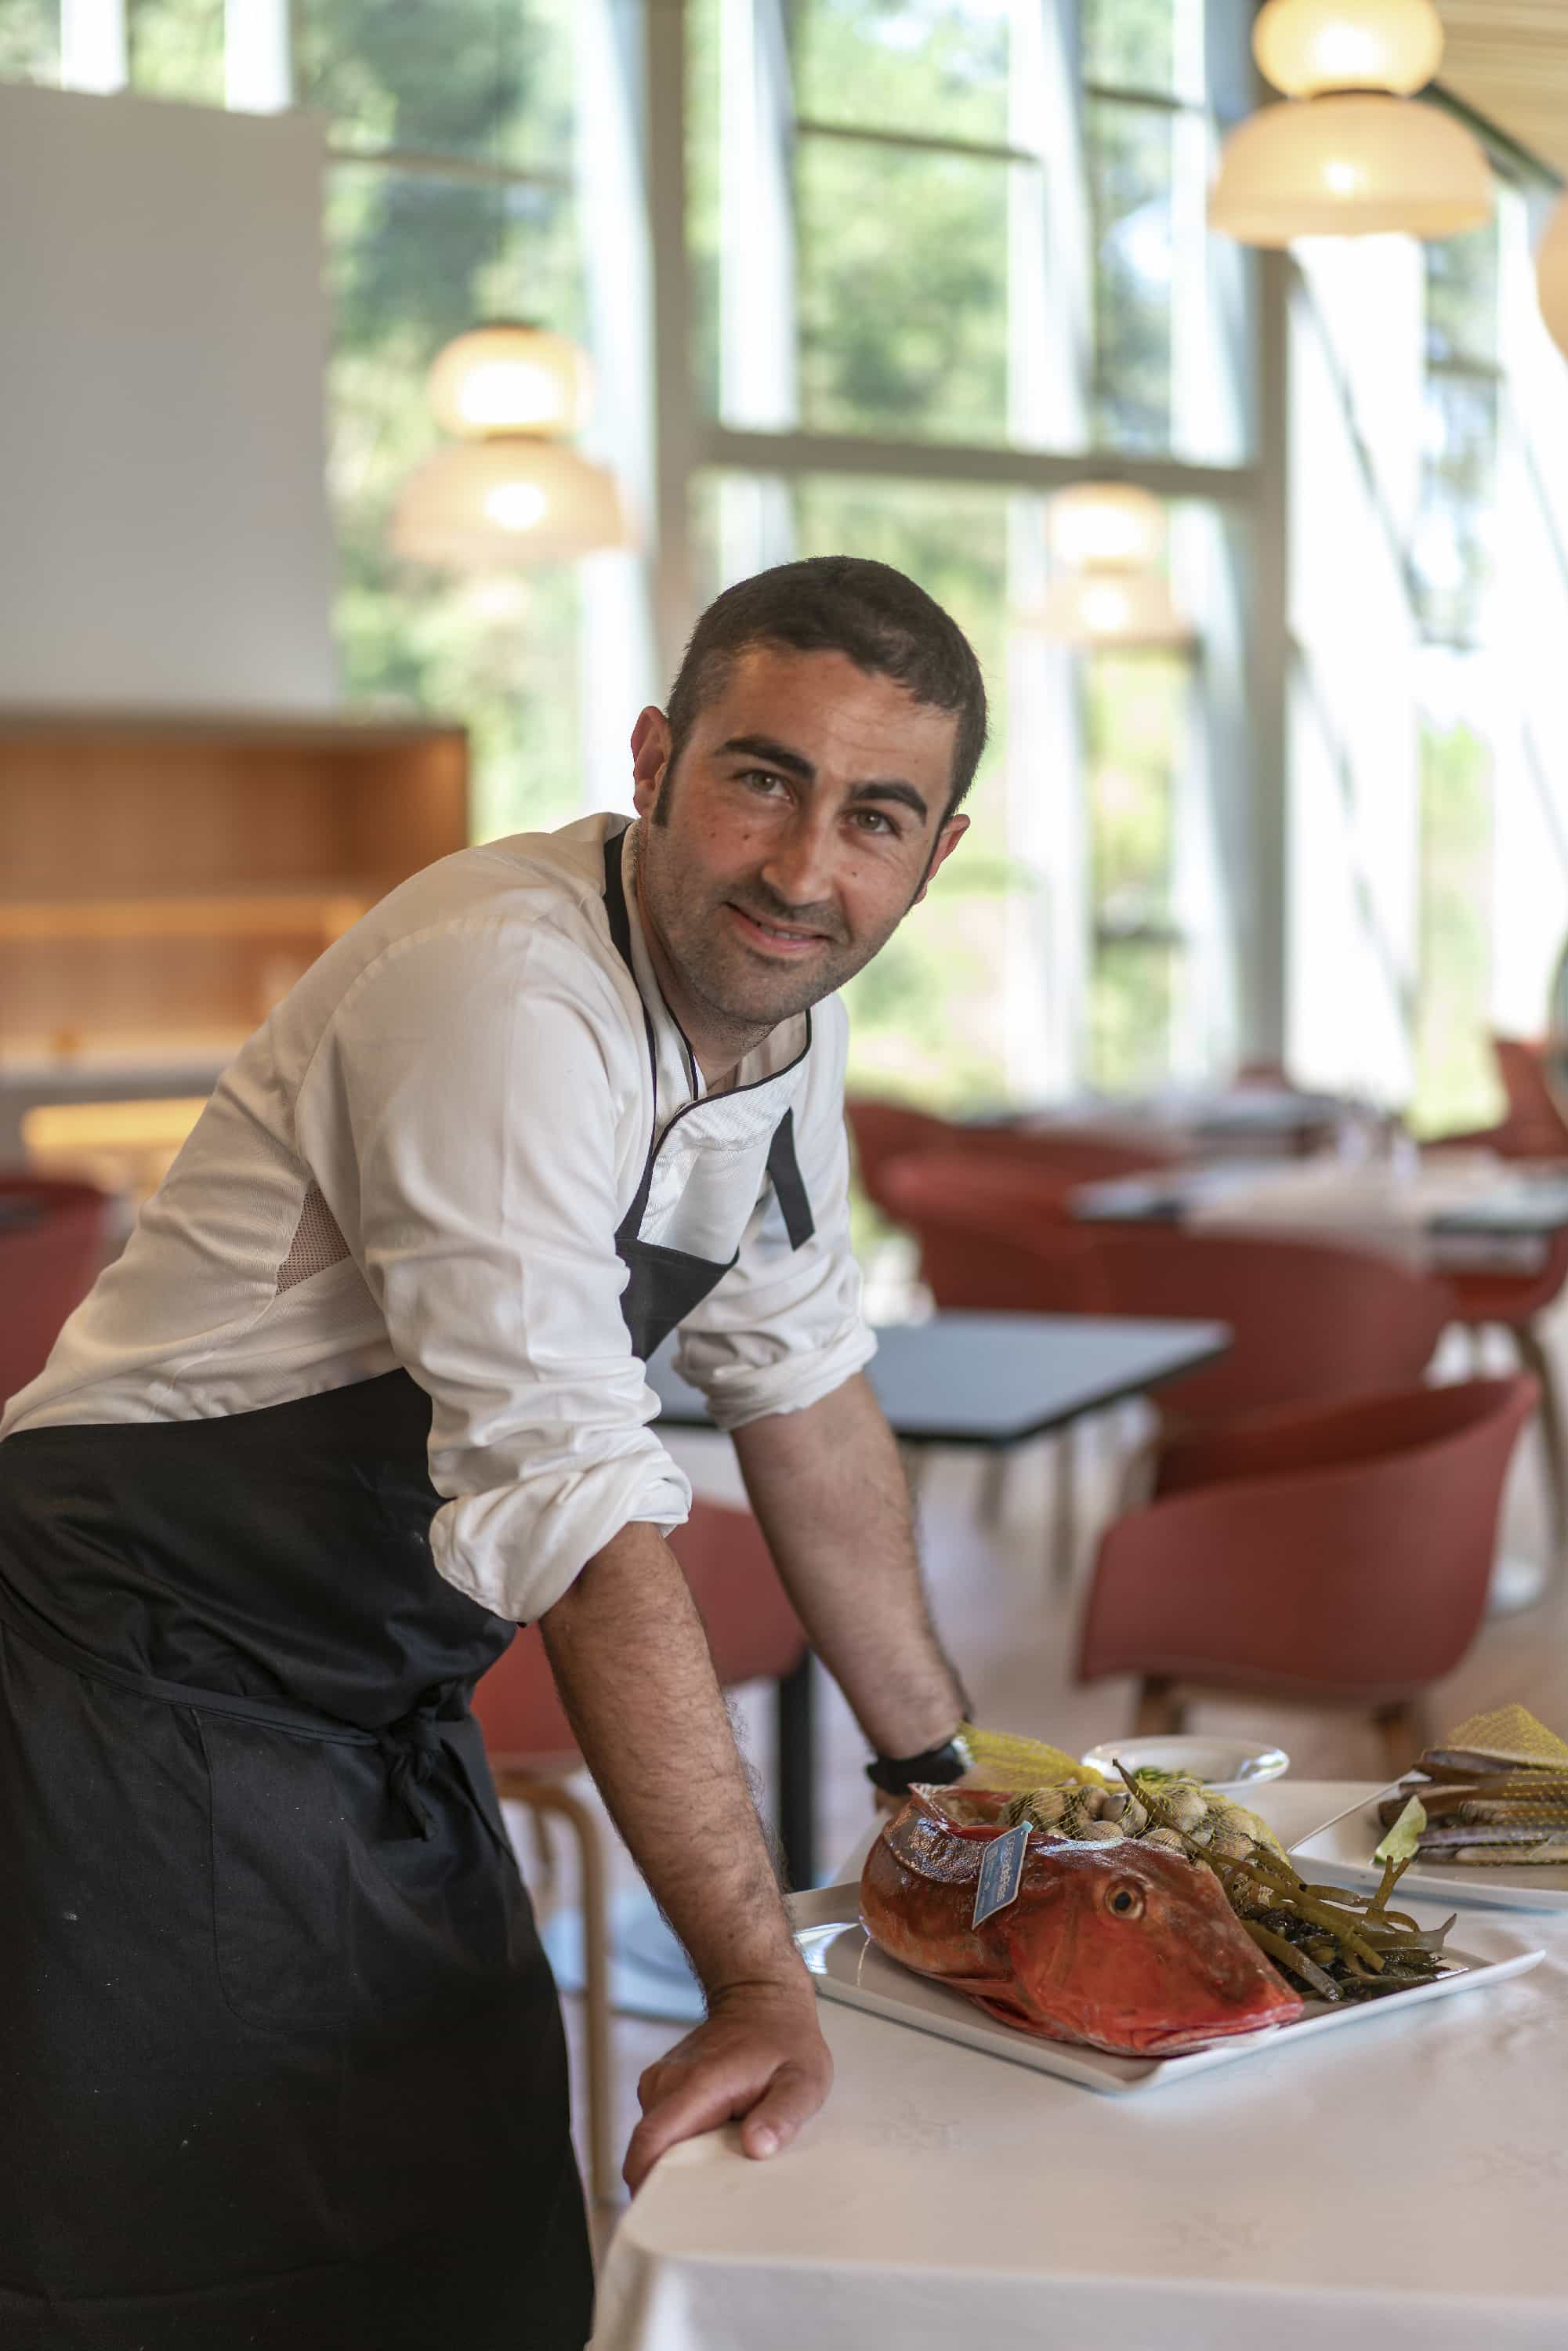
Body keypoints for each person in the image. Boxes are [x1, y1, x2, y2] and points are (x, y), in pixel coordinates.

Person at [0, 556, 983, 2350]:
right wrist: (757, 1975)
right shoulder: (498, 987)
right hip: (115, 1696)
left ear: (937, 853)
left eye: (872, 817)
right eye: (761, 777)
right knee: (196, 2282)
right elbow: (576, 1497)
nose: (799, 867)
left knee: (479, 2229)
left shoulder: (785, 1023)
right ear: (655, 758)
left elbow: (801, 1383)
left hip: (371, 1705)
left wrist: (941, 1776)